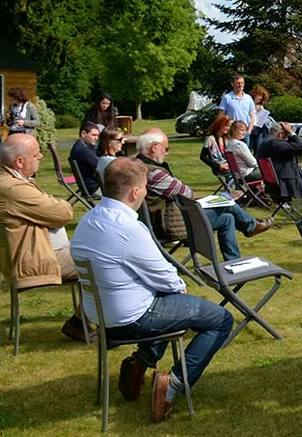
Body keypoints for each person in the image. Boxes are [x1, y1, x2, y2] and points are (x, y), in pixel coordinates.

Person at [71, 158, 234, 422]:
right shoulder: (129, 229)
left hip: (99, 316)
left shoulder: (89, 219)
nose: (147, 192)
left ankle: (142, 360)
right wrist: (178, 290)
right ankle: (172, 384)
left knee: (165, 301)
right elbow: (167, 277)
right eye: (145, 187)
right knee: (221, 319)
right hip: (131, 318)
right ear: (135, 192)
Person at [0, 133, 93, 342]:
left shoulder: (3, 180)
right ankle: (82, 322)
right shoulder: (14, 189)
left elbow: (52, 210)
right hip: (32, 260)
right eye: (36, 155)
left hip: (28, 253)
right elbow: (64, 213)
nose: (41, 158)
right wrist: (56, 207)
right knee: (102, 260)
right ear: (20, 161)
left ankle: (84, 319)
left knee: (94, 253)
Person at [136, 129, 273, 262]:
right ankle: (251, 227)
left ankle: (234, 260)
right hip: (169, 225)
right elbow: (187, 193)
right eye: (166, 148)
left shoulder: (137, 165)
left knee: (227, 218)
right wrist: (180, 185)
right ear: (154, 147)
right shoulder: (154, 173)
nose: (167, 153)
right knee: (228, 205)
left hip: (159, 221)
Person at [218, 74, 256, 146]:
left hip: (245, 132)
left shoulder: (248, 98)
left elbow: (252, 116)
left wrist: (249, 130)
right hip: (232, 131)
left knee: (245, 155)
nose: (240, 85)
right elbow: (221, 116)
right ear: (232, 84)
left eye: (242, 83)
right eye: (238, 83)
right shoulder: (227, 98)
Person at [69, 121, 102, 199]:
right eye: (93, 135)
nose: (97, 138)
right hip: (94, 189)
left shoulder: (80, 146)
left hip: (88, 187)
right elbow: (100, 169)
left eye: (97, 135)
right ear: (83, 133)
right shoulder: (83, 150)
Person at [200, 114, 233, 182]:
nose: (228, 128)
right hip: (219, 166)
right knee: (235, 172)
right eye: (226, 126)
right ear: (219, 125)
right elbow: (202, 156)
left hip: (228, 163)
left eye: (229, 126)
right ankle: (229, 190)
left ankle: (235, 190)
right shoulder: (210, 139)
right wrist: (218, 166)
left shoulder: (226, 139)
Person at [248, 85, 271, 155]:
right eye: (259, 95)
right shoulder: (248, 103)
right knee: (248, 149)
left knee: (259, 150)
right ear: (254, 95)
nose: (260, 98)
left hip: (259, 131)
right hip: (250, 130)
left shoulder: (261, 107)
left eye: (262, 96)